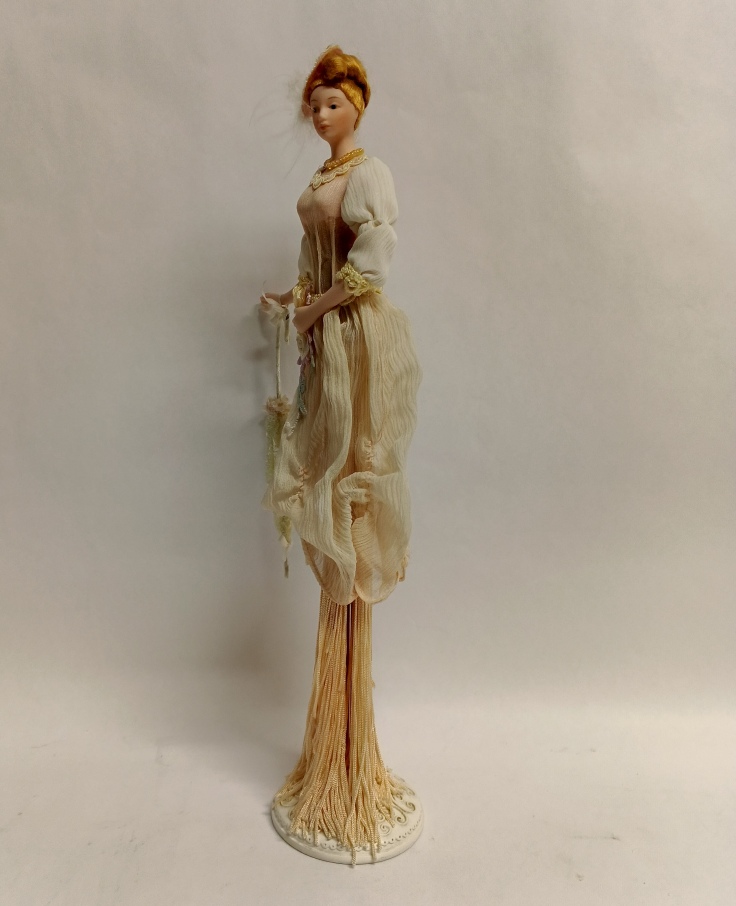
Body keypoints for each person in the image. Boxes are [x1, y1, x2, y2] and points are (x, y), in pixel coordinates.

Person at [261, 46, 422, 863]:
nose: (321, 116)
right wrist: (294, 301)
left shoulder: (368, 175)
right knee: (322, 473)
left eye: (332, 103)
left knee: (350, 478)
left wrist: (317, 309)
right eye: (314, 106)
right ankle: (331, 753)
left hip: (354, 340)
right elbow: (316, 264)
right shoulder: (325, 179)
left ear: (356, 103)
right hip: (325, 339)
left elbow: (368, 269)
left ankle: (354, 763)